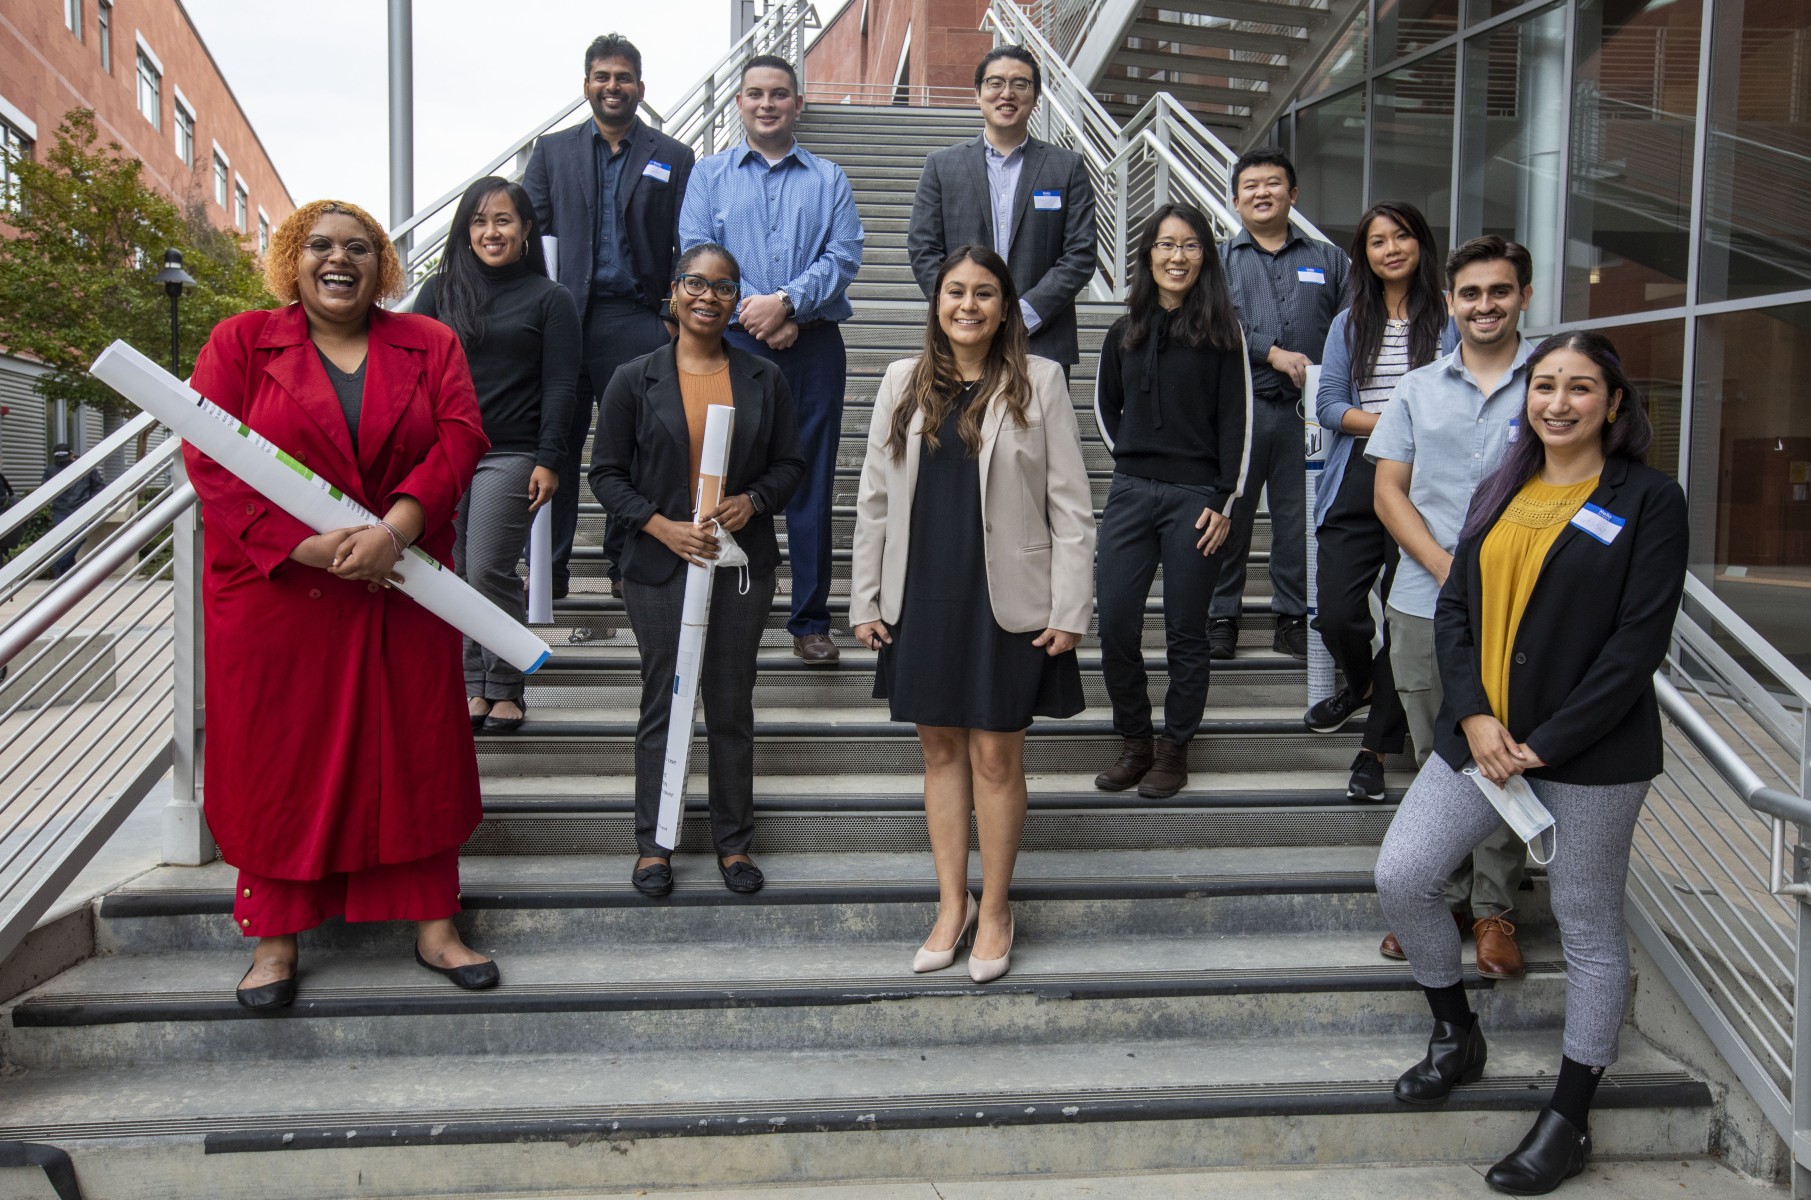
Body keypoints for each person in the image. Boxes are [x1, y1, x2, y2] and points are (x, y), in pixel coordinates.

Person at [1374, 331, 1686, 1194]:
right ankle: (1453, 1030)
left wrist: (1543, 742)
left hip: (1589, 754)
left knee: (1586, 924)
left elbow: (1636, 644)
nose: (1556, 401)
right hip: (1479, 740)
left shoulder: (1648, 500)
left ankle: (1568, 1114)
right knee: (1403, 876)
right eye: (1543, 385)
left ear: (1612, 402)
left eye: (1578, 387)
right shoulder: (1498, 487)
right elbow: (1456, 610)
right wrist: (1472, 714)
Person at [183, 199, 496, 1008]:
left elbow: (459, 438)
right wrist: (306, 544)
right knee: (279, 760)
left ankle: (434, 924)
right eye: (320, 245)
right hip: (280, 591)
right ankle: (275, 941)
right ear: (293, 259)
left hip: (401, 583)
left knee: (413, 749)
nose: (339, 259)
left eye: (358, 247)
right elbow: (207, 455)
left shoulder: (430, 344)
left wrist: (396, 530)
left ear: (381, 266)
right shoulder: (240, 343)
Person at [850, 245, 1094, 984]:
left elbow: (1071, 506)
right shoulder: (900, 381)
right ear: (935, 302)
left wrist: (1071, 605)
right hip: (921, 588)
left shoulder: (1040, 380)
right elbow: (874, 498)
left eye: (983, 293)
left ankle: (995, 908)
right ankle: (950, 904)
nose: (967, 305)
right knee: (937, 752)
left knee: (995, 754)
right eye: (954, 291)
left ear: (1004, 305)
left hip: (1007, 597)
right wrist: (863, 597)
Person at [590, 243, 804, 898]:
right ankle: (654, 844)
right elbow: (604, 475)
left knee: (731, 705)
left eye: (721, 286)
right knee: (664, 700)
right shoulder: (634, 377)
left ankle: (733, 843)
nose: (707, 296)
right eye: (694, 283)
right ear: (674, 291)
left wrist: (754, 501)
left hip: (739, 566)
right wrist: (660, 525)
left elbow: (791, 466)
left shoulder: (764, 377)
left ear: (735, 296)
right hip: (659, 563)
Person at [1367, 235, 1537, 980]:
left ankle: (1496, 906)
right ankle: (1435, 897)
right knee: (1439, 754)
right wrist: (1445, 570)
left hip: (1519, 608)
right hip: (1419, 597)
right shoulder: (1417, 387)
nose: (1484, 305)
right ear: (1449, 301)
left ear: (1522, 297)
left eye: (1498, 291)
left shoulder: (1549, 384)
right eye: (1470, 294)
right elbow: (1387, 493)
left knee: (1501, 752)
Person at [679, 54, 863, 665]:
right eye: (755, 93)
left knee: (808, 481)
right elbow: (698, 255)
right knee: (722, 476)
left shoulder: (830, 177)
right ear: (739, 102)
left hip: (810, 347)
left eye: (779, 94)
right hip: (728, 344)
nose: (766, 104)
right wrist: (751, 311)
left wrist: (786, 306)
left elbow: (843, 257)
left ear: (798, 104)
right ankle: (723, 603)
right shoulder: (709, 175)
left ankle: (810, 620)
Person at [523, 33, 694, 598]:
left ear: (640, 89)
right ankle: (551, 570)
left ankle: (626, 565)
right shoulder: (551, 152)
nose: (612, 86)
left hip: (638, 319)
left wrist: (673, 310)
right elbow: (531, 233)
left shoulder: (672, 156)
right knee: (558, 442)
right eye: (602, 76)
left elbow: (684, 239)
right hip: (565, 319)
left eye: (623, 78)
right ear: (587, 85)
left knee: (636, 447)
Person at [1091, 204, 1250, 799]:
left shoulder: (1222, 332)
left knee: (1186, 631)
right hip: (1131, 492)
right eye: (1164, 245)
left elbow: (1240, 421)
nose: (1176, 256)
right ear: (1148, 255)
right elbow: (1107, 411)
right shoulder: (1123, 330)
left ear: (1203, 256)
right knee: (1116, 624)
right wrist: (1130, 459)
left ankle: (1176, 747)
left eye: (1188, 246)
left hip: (1197, 499)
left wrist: (1225, 499)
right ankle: (1135, 741)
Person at [413, 176, 580, 732]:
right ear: (465, 229)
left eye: (504, 220)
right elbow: (409, 372)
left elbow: (563, 386)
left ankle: (505, 682)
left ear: (527, 229)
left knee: (486, 566)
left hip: (510, 452)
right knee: (453, 569)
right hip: (443, 451)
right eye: (480, 221)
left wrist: (551, 459)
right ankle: (471, 685)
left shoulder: (551, 299)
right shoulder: (438, 293)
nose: (491, 231)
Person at [1306, 201, 1455, 803]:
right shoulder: (1348, 322)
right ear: (1362, 255)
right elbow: (1329, 407)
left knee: (1406, 616)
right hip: (1359, 475)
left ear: (1421, 243)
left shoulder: (1447, 320)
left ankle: (1373, 747)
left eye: (1401, 237)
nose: (1390, 249)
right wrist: (1399, 422)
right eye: (1376, 241)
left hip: (1425, 486)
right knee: (1338, 610)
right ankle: (1363, 682)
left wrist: (1404, 431)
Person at [1210, 149, 1347, 662]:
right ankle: (1221, 615)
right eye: (1251, 185)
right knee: (1230, 513)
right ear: (1235, 198)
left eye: (1273, 183)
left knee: (1298, 519)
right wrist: (1272, 352)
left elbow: (1350, 327)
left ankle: (1291, 616)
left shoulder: (1331, 260)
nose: (1262, 193)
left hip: (1306, 414)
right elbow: (1212, 326)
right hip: (1238, 411)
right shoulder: (1219, 260)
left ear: (1293, 194)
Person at [906, 44, 1097, 374]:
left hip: (1042, 340)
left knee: (1040, 427)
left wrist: (1024, 314)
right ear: (978, 94)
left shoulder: (1067, 167)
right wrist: (968, 310)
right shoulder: (942, 166)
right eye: (995, 83)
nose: (1006, 93)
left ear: (1035, 98)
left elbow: (1080, 254)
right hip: (961, 341)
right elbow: (923, 249)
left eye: (1020, 84)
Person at [41, 443, 105, 577]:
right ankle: (68, 574)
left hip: (81, 510)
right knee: (65, 543)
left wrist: (90, 503)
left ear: (72, 455)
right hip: (60, 510)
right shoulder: (51, 471)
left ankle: (58, 564)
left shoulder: (86, 468)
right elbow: (44, 490)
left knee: (78, 538)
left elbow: (99, 486)